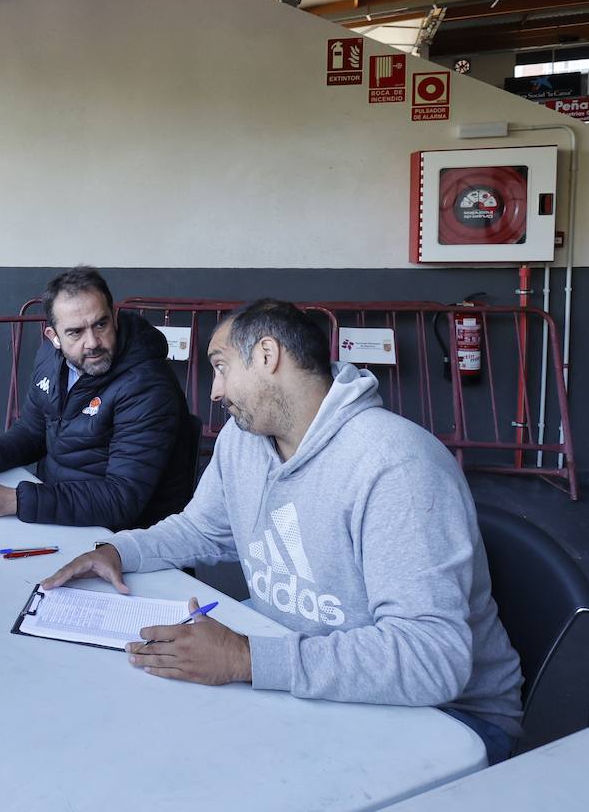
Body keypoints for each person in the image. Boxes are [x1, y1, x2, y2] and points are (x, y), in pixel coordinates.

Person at [42, 298, 524, 764]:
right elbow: (204, 529)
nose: (213, 392)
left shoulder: (396, 466)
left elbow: (430, 659)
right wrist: (119, 550)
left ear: (268, 357)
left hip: (449, 721)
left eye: (222, 366)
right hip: (303, 669)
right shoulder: (243, 438)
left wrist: (245, 659)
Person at [0, 265, 197, 529]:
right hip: (60, 515)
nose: (93, 342)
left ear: (114, 318)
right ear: (54, 337)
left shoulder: (147, 386)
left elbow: (121, 500)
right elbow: (33, 429)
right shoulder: (50, 359)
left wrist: (14, 500)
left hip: (122, 538)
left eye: (101, 324)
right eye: (75, 332)